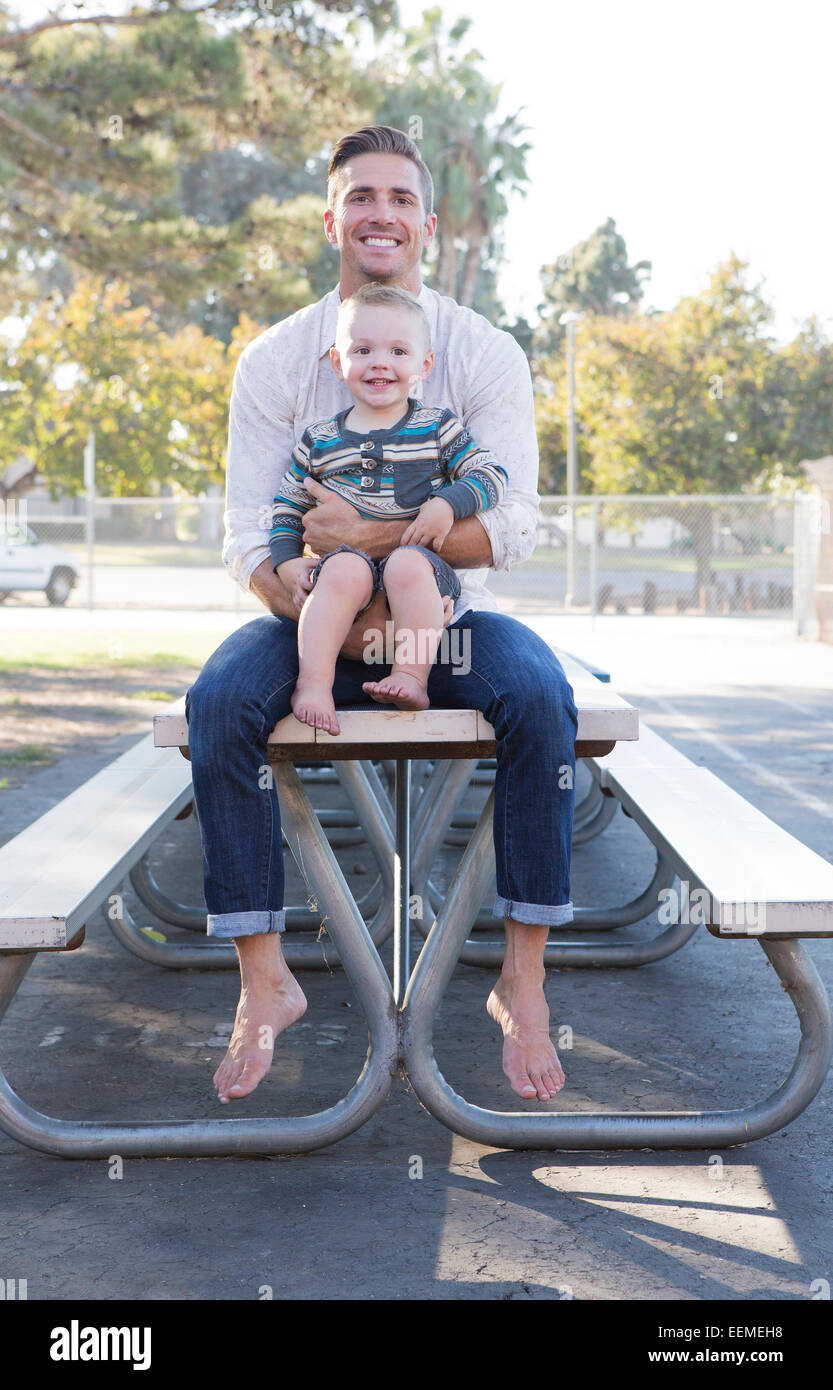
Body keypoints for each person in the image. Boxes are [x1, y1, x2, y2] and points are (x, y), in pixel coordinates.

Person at [187, 124, 578, 1108]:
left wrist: (378, 536)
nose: (380, 214)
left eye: (400, 199)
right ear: (331, 218)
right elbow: (248, 537)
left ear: (428, 225)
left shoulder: (479, 355)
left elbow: (515, 523)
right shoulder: (279, 362)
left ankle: (520, 980)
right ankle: (263, 979)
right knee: (218, 701)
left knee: (537, 694)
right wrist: (320, 589)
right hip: (311, 620)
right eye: (361, 196)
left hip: (439, 622)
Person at [269, 281, 508, 734]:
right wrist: (284, 565)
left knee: (406, 565)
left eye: (399, 351)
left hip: (420, 575)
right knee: (342, 572)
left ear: (424, 364)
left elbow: (491, 475)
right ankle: (314, 683)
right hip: (348, 578)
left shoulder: (437, 428)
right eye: (363, 350)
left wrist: (446, 503)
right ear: (339, 363)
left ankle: (410, 676)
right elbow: (287, 506)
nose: (380, 361)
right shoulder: (319, 441)